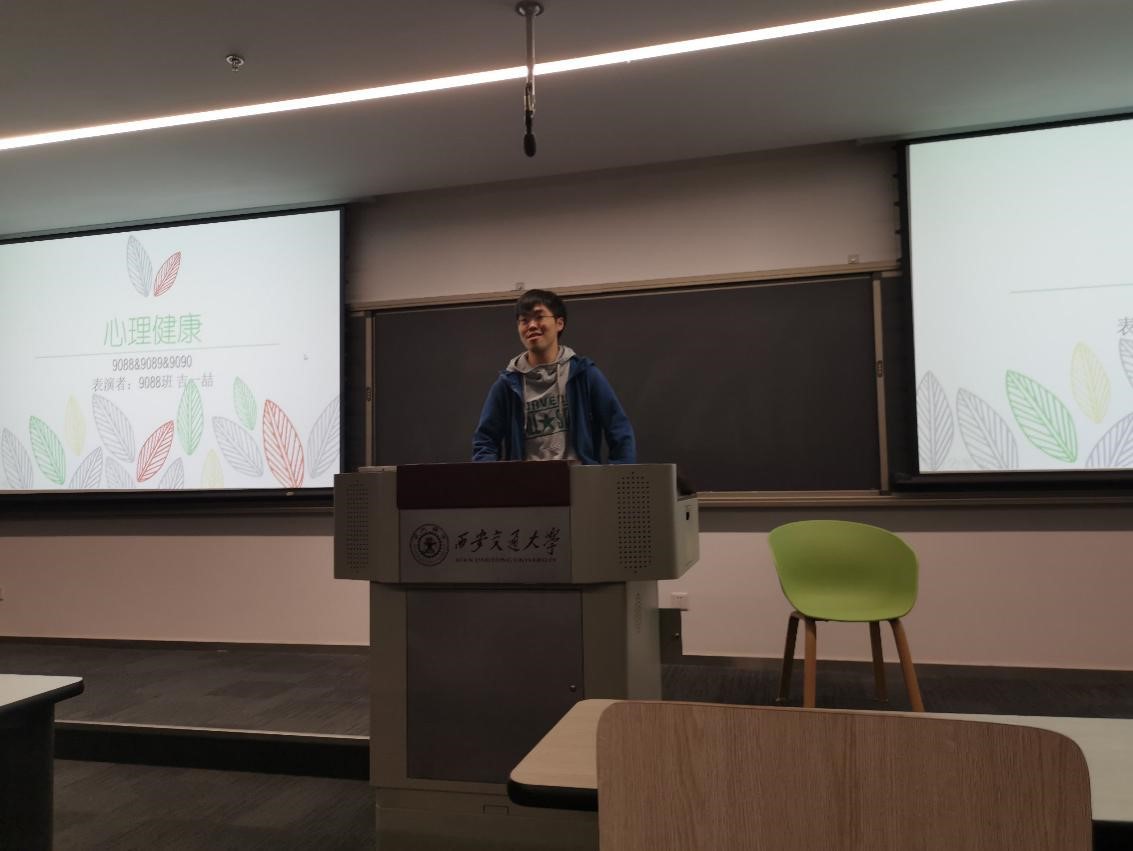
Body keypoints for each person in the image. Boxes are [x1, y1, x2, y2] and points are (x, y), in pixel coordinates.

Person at [472, 289, 636, 464]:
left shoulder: (584, 374)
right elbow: (485, 441)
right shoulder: (508, 384)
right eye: (524, 320)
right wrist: (493, 477)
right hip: (525, 481)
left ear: (559, 323)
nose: (531, 325)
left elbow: (618, 428)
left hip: (578, 478)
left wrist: (618, 474)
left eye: (539, 317)